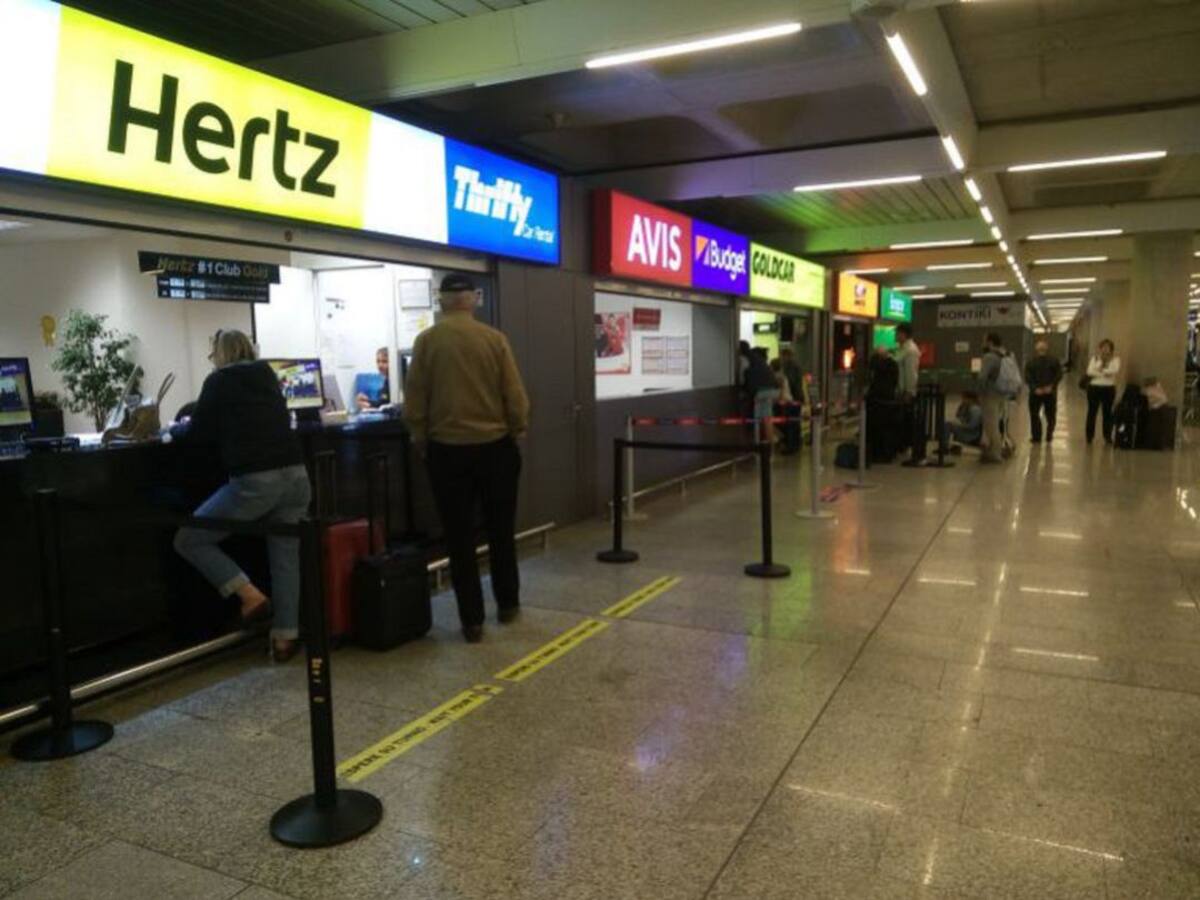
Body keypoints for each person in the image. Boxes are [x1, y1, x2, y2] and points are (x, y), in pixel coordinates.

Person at [405, 273, 530, 643]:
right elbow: (515, 396)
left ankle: (472, 621)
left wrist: (421, 437)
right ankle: (507, 604)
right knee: (500, 530)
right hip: (495, 448)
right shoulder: (494, 339)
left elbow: (415, 399)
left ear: (441, 300)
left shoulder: (427, 342)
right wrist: (517, 427)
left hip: (447, 452)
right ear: (473, 299)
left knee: (458, 537)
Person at [173, 329, 311, 663]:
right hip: (297, 477)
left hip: (255, 482)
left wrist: (176, 429)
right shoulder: (267, 374)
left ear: (219, 354)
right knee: (285, 558)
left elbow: (198, 433)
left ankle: (249, 595)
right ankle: (285, 639)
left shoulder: (219, 380)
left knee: (189, 538)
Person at [978, 332, 1010, 463]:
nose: (983, 343)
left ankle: (995, 454)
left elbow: (982, 377)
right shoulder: (1004, 354)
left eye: (984, 340)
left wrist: (980, 392)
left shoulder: (989, 356)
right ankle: (992, 451)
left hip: (990, 395)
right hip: (1002, 393)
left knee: (991, 425)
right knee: (996, 423)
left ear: (990, 342)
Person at [1024, 339, 1063, 443]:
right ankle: (1040, 436)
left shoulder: (1053, 360)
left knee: (1047, 415)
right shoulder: (1031, 361)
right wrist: (1035, 388)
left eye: (1043, 346)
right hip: (1039, 392)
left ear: (1046, 347)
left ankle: (1046, 435)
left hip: (1046, 392)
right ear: (1036, 348)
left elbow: (1059, 375)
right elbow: (1028, 376)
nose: (1041, 348)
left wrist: (1050, 386)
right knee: (1038, 415)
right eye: (1039, 346)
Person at [741, 344, 779, 446]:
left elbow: (746, 377)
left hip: (762, 392)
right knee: (766, 417)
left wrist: (745, 388)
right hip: (772, 390)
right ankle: (772, 438)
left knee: (761, 418)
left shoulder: (746, 359)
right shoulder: (760, 360)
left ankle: (766, 442)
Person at [1085, 339, 1120, 445]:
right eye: (1103, 347)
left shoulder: (1115, 359)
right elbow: (1089, 372)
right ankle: (1089, 436)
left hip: (1108, 388)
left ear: (1111, 349)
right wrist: (1104, 371)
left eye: (1107, 347)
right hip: (1094, 388)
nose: (1105, 349)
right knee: (1092, 412)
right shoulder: (1095, 358)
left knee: (1107, 413)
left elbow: (1114, 371)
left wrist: (1099, 371)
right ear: (1100, 348)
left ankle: (1107, 436)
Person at [770, 357, 799, 455]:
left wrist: (778, 401)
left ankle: (787, 444)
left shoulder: (778, 377)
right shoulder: (782, 376)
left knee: (783, 425)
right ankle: (791, 445)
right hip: (789, 402)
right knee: (790, 425)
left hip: (784, 403)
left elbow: (780, 391)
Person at [894, 324, 920, 402]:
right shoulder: (901, 348)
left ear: (903, 334)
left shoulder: (910, 350)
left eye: (897, 333)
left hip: (904, 393)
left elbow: (911, 373)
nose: (895, 335)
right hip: (899, 391)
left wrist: (909, 392)